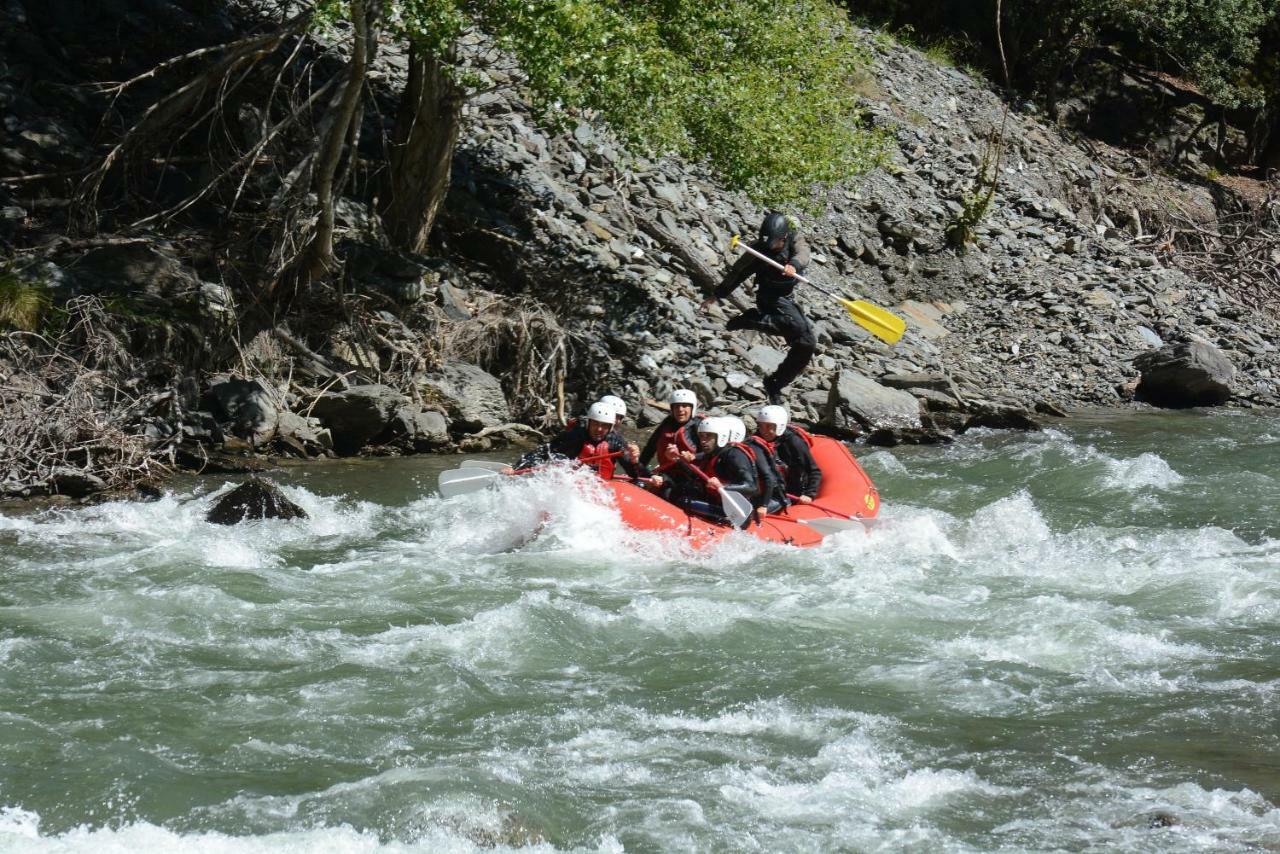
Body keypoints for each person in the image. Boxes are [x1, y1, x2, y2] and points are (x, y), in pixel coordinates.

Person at [699, 211, 815, 405]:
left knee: (806, 343)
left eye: (774, 242)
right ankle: (751, 319)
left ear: (784, 237)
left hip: (786, 298)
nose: (770, 245)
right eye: (766, 241)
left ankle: (775, 383)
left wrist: (793, 265)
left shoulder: (795, 239)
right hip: (768, 298)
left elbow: (804, 253)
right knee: (796, 326)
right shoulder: (757, 250)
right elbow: (737, 273)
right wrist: (716, 296)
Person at [512, 400, 646, 480]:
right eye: (595, 424)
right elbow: (543, 452)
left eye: (604, 426)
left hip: (604, 489)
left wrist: (635, 462)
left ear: (610, 427)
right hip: (575, 486)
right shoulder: (575, 437)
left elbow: (634, 474)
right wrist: (515, 468)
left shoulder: (616, 442)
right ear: (589, 423)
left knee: (638, 482)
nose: (599, 429)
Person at [754, 404, 822, 503]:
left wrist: (809, 495)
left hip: (790, 489)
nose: (764, 431)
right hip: (768, 485)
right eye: (761, 426)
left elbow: (814, 471)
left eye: (769, 426)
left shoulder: (795, 443)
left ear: (780, 426)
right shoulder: (757, 438)